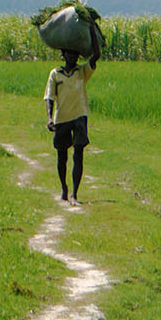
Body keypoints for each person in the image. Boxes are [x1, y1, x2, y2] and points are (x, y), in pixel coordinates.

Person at [43, 43, 99, 204]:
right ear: (64, 55)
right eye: (69, 54)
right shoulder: (55, 73)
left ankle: (74, 194)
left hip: (80, 117)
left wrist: (91, 28)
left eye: (75, 55)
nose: (73, 57)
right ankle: (64, 188)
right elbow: (50, 97)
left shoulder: (82, 71)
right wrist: (49, 118)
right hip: (61, 118)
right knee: (62, 157)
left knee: (78, 154)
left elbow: (96, 55)